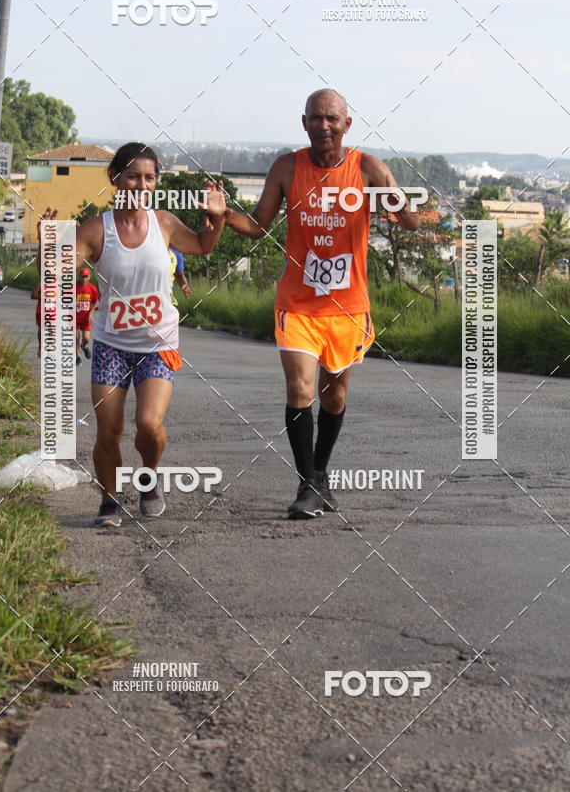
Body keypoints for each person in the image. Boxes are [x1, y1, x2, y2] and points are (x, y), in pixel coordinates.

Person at [224, 89, 420, 519]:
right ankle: (307, 484)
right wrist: (223, 215)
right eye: (316, 118)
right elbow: (258, 225)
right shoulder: (286, 167)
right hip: (297, 302)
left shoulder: (367, 168)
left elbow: (411, 221)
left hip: (347, 306)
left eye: (333, 119)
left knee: (334, 397)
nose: (324, 126)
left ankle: (321, 475)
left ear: (347, 124)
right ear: (304, 122)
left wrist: (395, 197)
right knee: (300, 389)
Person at [37, 142, 226, 528]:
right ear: (116, 179)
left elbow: (204, 246)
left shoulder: (165, 223)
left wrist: (217, 219)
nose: (142, 184)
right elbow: (56, 274)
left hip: (158, 345)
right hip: (111, 344)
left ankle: (148, 476)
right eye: (133, 176)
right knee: (109, 430)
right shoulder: (96, 229)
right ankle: (109, 500)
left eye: (150, 177)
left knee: (149, 425)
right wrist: (48, 247)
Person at [75, 267, 100, 365]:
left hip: (86, 318)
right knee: (76, 337)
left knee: (86, 338)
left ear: (89, 277)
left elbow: (96, 301)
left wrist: (90, 313)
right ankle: (78, 356)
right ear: (79, 277)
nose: (84, 279)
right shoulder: (73, 287)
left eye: (86, 277)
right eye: (82, 277)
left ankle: (84, 346)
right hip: (74, 318)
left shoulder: (92, 288)